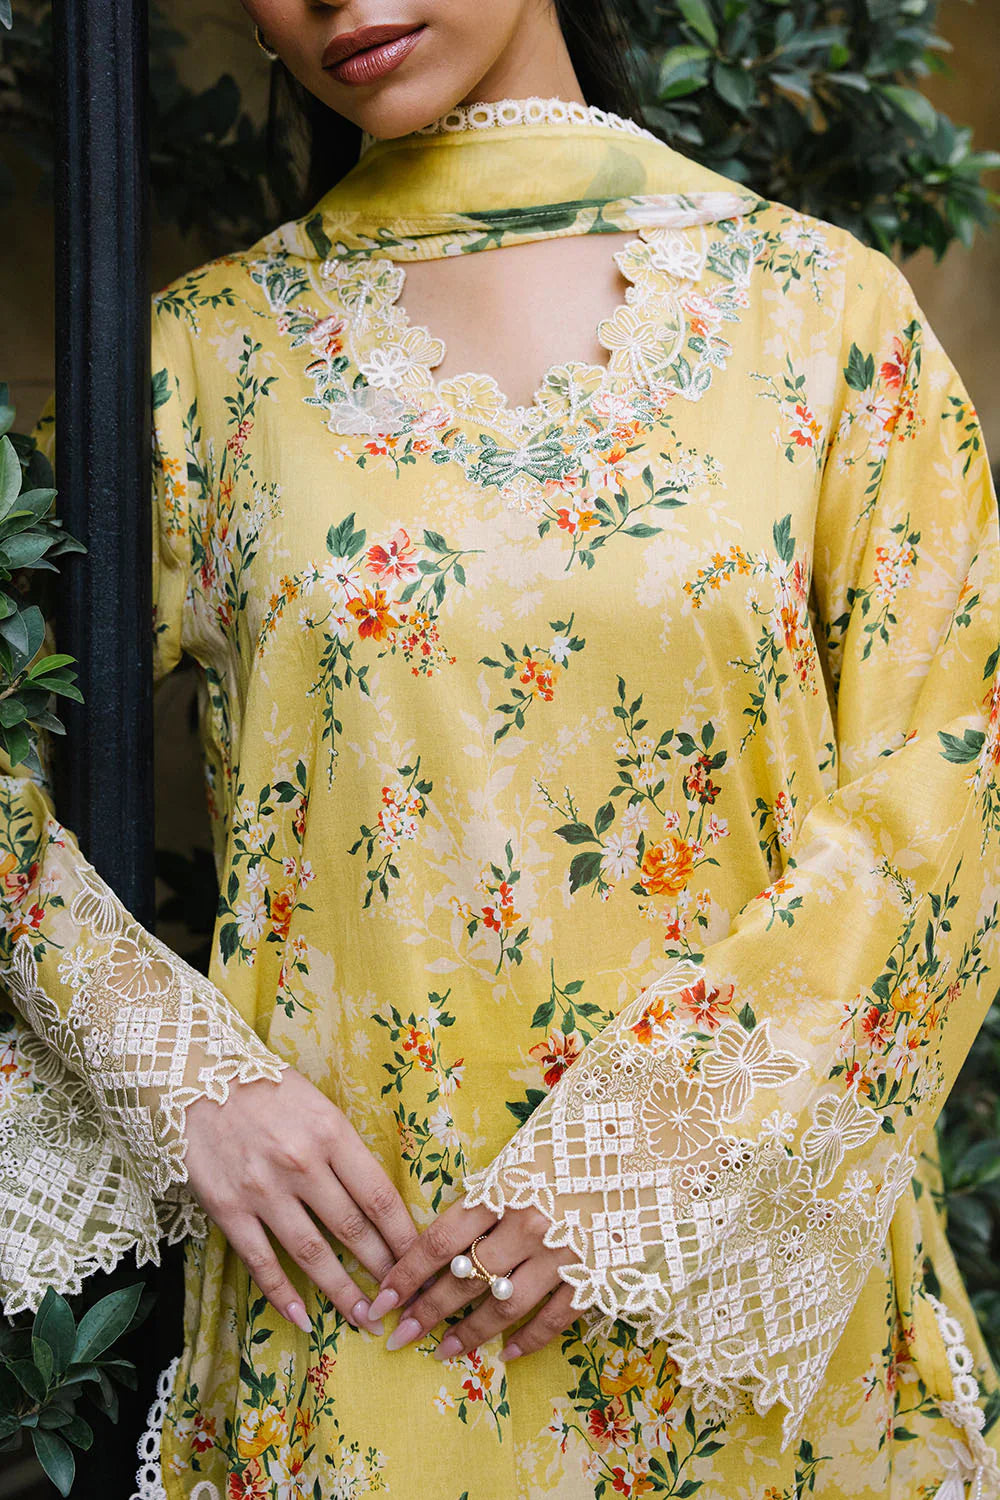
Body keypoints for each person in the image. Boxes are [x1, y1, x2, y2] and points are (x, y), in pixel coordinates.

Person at [2, 0, 999, 1495]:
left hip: (739, 1307)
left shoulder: (819, 312)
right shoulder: (208, 361)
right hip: (359, 1308)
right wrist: (172, 1067)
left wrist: (652, 1160)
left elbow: (955, 771)